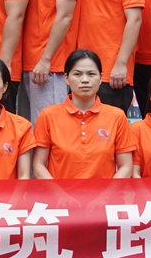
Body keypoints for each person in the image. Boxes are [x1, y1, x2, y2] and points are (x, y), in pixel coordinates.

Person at [31, 49, 136, 179]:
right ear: (66, 78)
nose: (85, 80)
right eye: (77, 74)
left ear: (100, 78)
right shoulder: (48, 115)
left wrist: (107, 191)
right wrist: (57, 191)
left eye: (91, 74)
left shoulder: (117, 116)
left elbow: (126, 166)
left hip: (106, 192)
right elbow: (38, 165)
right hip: (59, 192)